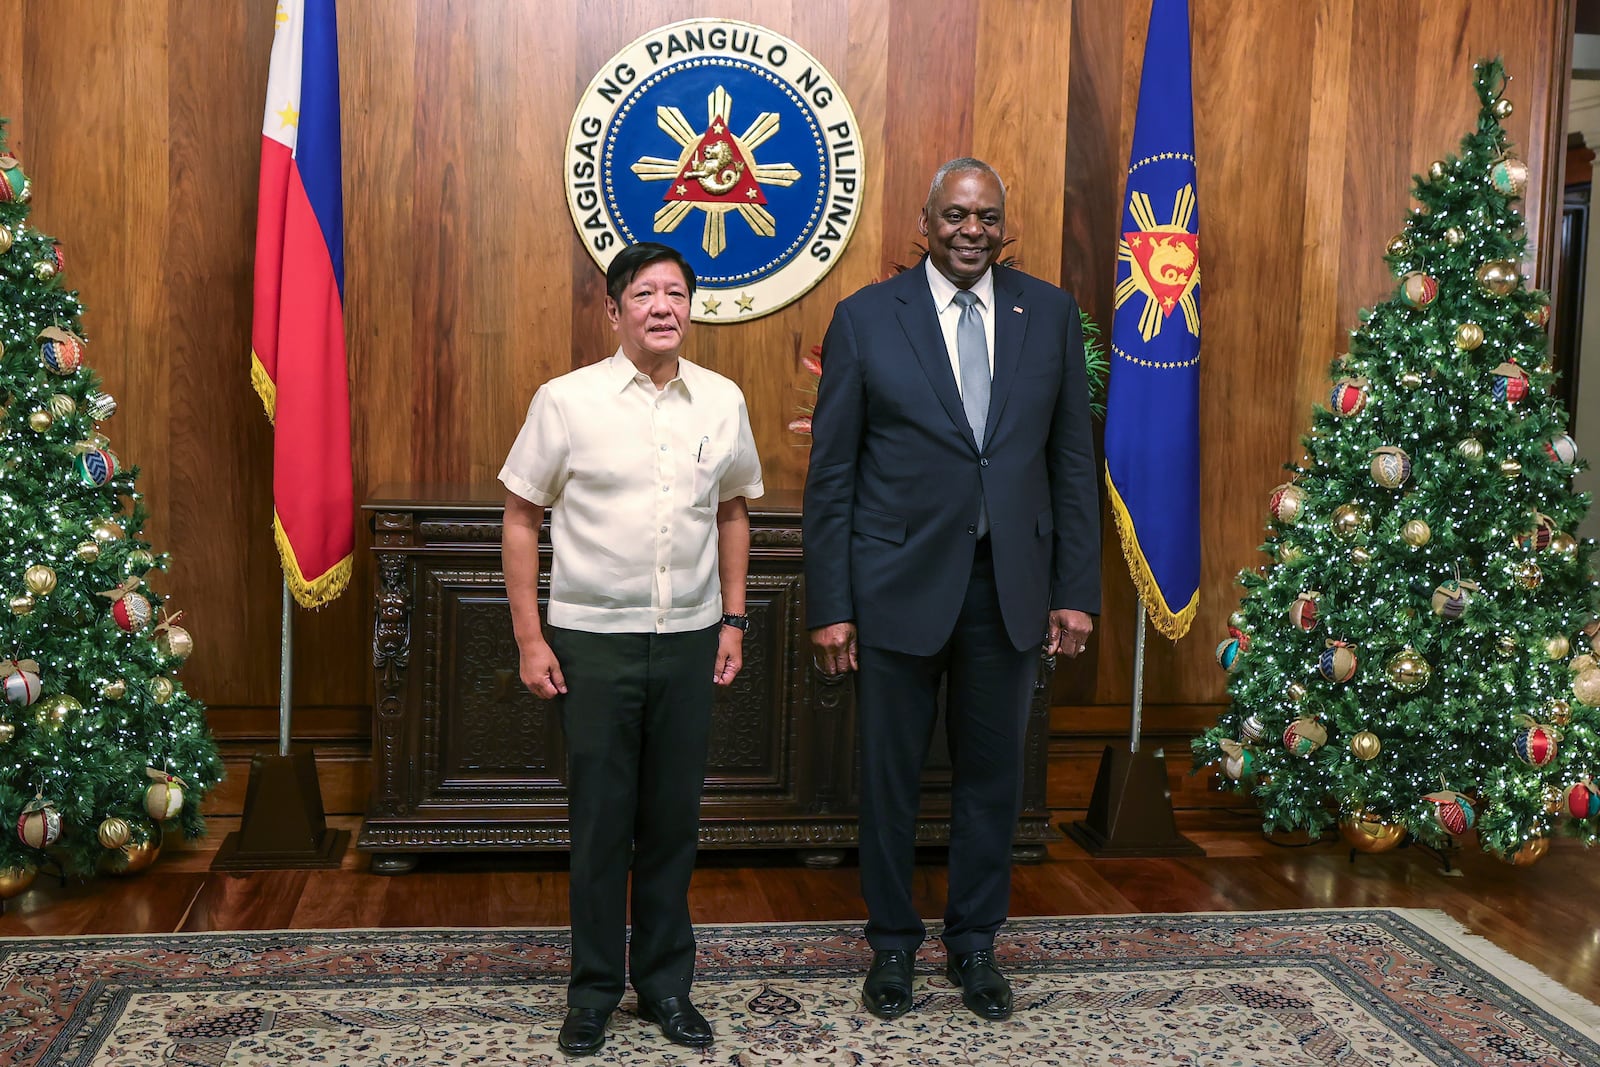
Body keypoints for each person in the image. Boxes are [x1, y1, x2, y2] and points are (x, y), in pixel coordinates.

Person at [803, 158, 1100, 1022]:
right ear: (926, 221)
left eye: (988, 217)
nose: (972, 230)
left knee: (993, 779)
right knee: (889, 777)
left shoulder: (1046, 315)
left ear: (1004, 227)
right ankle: (892, 946)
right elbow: (833, 475)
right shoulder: (867, 318)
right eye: (956, 215)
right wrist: (832, 603)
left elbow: (1072, 464)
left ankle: (974, 943)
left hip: (1007, 588)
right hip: (895, 585)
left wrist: (1073, 588)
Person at [500, 241, 763, 1056]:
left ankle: (665, 986)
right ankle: (591, 992)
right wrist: (529, 635)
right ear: (613, 310)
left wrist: (734, 619)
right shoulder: (566, 401)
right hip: (592, 645)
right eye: (644, 294)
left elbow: (732, 513)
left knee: (674, 824)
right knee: (601, 825)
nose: (662, 307)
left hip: (688, 641)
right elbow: (520, 516)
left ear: (691, 307)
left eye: (676, 293)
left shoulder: (721, 401)